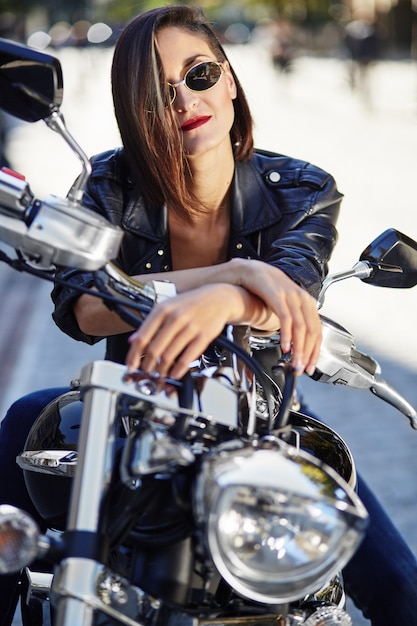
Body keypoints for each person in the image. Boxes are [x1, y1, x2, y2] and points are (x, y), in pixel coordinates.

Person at [0, 5, 416, 625]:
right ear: (132, 108)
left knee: (401, 593)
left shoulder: (301, 187)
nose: (183, 100)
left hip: (258, 417)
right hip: (134, 408)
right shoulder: (109, 184)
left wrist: (226, 297)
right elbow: (85, 307)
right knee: (29, 422)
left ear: (227, 80)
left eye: (197, 75)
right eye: (154, 92)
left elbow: (292, 293)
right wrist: (235, 274)